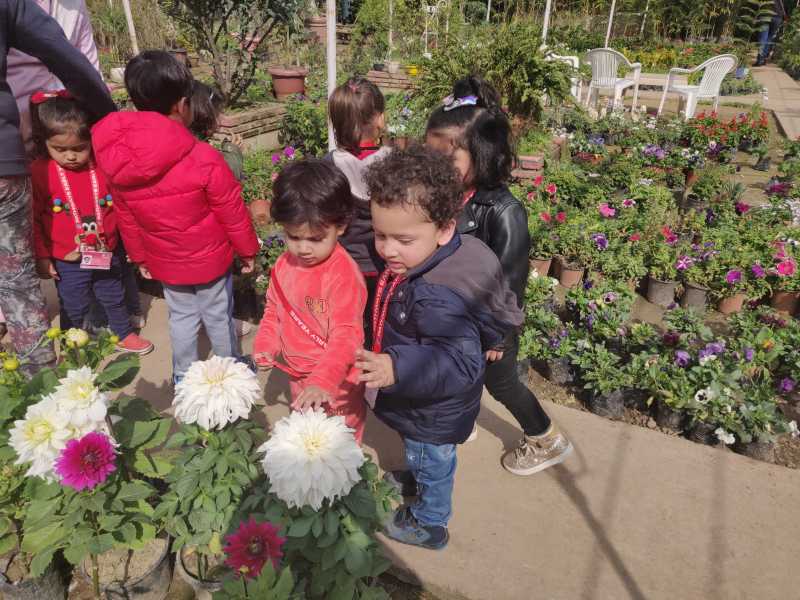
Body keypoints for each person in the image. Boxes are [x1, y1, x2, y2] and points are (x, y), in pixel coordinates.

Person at [356, 146, 523, 550]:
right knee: (424, 455)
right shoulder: (453, 252)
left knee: (433, 459)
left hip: (434, 408)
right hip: (431, 402)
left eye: (402, 239)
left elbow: (458, 363)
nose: (387, 249)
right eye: (380, 234)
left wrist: (397, 366)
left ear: (444, 229)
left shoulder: (436, 296)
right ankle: (416, 474)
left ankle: (430, 522)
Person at [425, 76, 573, 476]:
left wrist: (498, 335)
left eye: (448, 159)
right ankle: (461, 421)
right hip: (458, 316)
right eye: (431, 156)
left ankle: (546, 438)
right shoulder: (451, 195)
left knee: (502, 382)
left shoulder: (503, 211)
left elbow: (511, 282)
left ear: (481, 154)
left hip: (492, 323)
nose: (437, 167)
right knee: (460, 371)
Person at [92, 50, 259, 383]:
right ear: (184, 104)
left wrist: (139, 255)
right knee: (216, 315)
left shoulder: (118, 157)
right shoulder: (202, 155)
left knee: (181, 318)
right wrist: (248, 249)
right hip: (210, 259)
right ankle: (230, 374)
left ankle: (183, 377)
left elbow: (125, 213)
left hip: (165, 260)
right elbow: (231, 207)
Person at [0, 0, 115, 371]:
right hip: (7, 154)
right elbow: (69, 60)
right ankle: (44, 391)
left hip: (26, 139)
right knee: (18, 283)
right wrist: (108, 117)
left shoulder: (72, 7)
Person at [253, 159, 368, 442]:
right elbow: (274, 310)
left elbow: (347, 336)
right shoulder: (283, 265)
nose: (303, 248)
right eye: (293, 236)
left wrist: (322, 381)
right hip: (299, 375)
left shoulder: (343, 275)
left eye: (316, 239)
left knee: (339, 445)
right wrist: (266, 343)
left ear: (340, 226)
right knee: (308, 440)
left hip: (337, 384)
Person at [29, 91, 152, 354]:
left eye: (79, 148)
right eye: (60, 149)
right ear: (46, 143)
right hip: (67, 257)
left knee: (113, 294)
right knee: (73, 303)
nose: (70, 156)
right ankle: (73, 343)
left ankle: (122, 333)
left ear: (91, 142)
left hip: (104, 251)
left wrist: (132, 243)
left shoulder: (102, 165)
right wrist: (42, 256)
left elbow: (121, 206)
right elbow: (35, 218)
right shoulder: (40, 172)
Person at [327, 77, 391, 340]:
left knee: (346, 326)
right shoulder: (393, 162)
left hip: (342, 264)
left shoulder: (329, 166)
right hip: (385, 262)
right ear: (379, 119)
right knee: (379, 325)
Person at [7, 0, 100, 153]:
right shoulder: (7, 6)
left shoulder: (73, 5)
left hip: (67, 126)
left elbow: (89, 66)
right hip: (15, 124)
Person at [755, 0, 788, 66]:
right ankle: (763, 58)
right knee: (769, 38)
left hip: (765, 14)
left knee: (763, 38)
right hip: (777, 16)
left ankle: (760, 60)